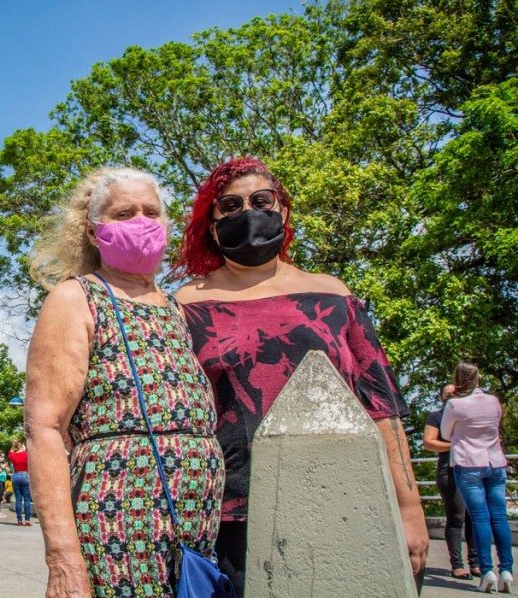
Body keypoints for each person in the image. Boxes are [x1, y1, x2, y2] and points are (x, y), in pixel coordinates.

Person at [173, 156, 427, 595]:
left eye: (260, 200)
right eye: (230, 206)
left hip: (348, 500)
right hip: (235, 515)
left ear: (283, 210)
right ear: (212, 227)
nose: (247, 212)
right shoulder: (185, 305)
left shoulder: (334, 295)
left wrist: (408, 508)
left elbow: (381, 406)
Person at [25, 167, 225, 596]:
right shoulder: (76, 298)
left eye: (151, 212)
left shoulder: (175, 308)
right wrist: (62, 557)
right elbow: (45, 428)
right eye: (124, 213)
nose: (141, 221)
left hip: (195, 528)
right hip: (116, 525)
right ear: (94, 231)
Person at [441, 362, 512, 593]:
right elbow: (495, 426)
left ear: (457, 379)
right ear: (478, 378)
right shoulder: (493, 401)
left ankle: (487, 571)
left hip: (468, 464)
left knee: (480, 519)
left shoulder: (454, 404)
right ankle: (506, 570)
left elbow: (445, 434)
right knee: (499, 517)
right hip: (495, 462)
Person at [424, 383, 479, 579]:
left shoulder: (467, 416)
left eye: (454, 393)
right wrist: (455, 445)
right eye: (446, 394)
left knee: (474, 517)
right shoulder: (436, 417)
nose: (450, 397)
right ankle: (457, 565)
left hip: (471, 470)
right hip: (449, 471)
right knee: (456, 517)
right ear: (441, 397)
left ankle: (476, 563)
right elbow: (429, 442)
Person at [8, 440, 32, 527]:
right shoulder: (27, 454)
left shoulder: (13, 455)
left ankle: (19, 520)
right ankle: (27, 520)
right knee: (27, 500)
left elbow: (10, 452)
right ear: (23, 446)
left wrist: (14, 445)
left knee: (18, 499)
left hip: (16, 476)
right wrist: (23, 448)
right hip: (25, 475)